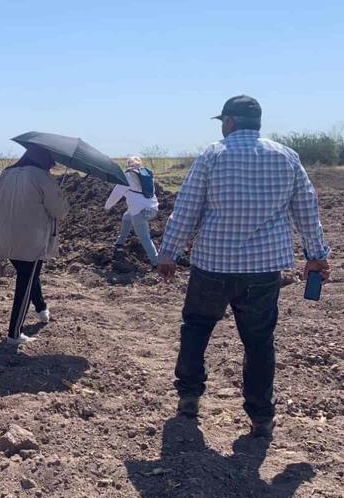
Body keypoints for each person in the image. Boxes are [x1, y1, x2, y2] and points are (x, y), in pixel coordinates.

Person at [157, 95, 331, 439]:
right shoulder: (287, 157)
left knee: (196, 329)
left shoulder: (212, 155)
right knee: (259, 342)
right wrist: (317, 254)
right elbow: (306, 212)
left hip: (212, 266)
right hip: (263, 271)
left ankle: (189, 397)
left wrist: (169, 253)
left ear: (230, 122)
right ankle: (261, 416)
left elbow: (188, 208)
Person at [0, 147, 70, 345]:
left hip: (5, 239)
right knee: (25, 282)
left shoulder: (4, 174)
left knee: (29, 276)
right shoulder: (41, 177)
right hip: (32, 241)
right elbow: (60, 211)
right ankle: (14, 333)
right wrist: (59, 193)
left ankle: (41, 309)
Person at [105, 156, 160, 266]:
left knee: (144, 237)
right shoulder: (147, 174)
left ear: (128, 165)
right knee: (127, 217)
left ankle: (156, 262)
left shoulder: (127, 177)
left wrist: (107, 206)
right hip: (153, 209)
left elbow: (116, 193)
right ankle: (119, 243)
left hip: (139, 212)